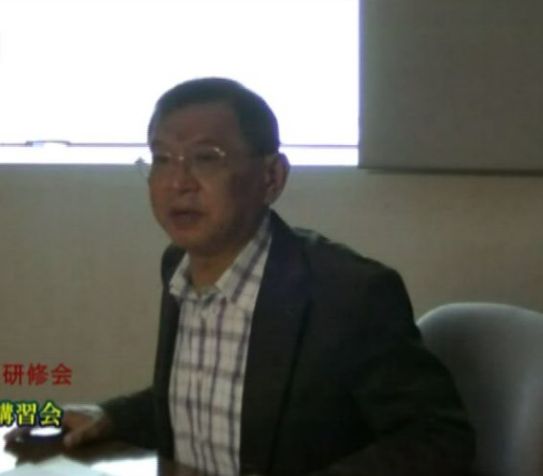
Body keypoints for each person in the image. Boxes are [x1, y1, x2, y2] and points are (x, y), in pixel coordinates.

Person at [6, 77, 475, 475]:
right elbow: (204, 399)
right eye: (162, 158)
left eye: (206, 157)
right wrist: (108, 416)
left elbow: (439, 439)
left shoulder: (349, 293)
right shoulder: (179, 265)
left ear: (271, 177)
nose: (177, 182)